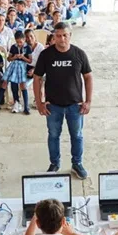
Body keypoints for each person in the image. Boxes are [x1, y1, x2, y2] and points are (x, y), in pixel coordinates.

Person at [33, 23, 93, 179]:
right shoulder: (46, 55)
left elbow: (88, 77)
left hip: (75, 105)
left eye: (65, 35)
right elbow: (37, 78)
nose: (62, 39)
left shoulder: (79, 54)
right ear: (54, 37)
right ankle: (54, 164)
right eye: (58, 35)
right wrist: (39, 102)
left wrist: (88, 101)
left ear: (70, 35)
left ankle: (77, 164)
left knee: (77, 136)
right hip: (53, 106)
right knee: (53, 135)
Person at [0, 31, 32, 115]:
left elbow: (30, 60)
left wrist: (23, 57)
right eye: (17, 42)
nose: (19, 44)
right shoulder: (13, 47)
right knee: (4, 83)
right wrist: (14, 57)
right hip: (13, 66)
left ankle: (26, 107)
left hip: (22, 67)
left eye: (21, 42)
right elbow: (8, 58)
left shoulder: (27, 47)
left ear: (24, 39)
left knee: (23, 85)